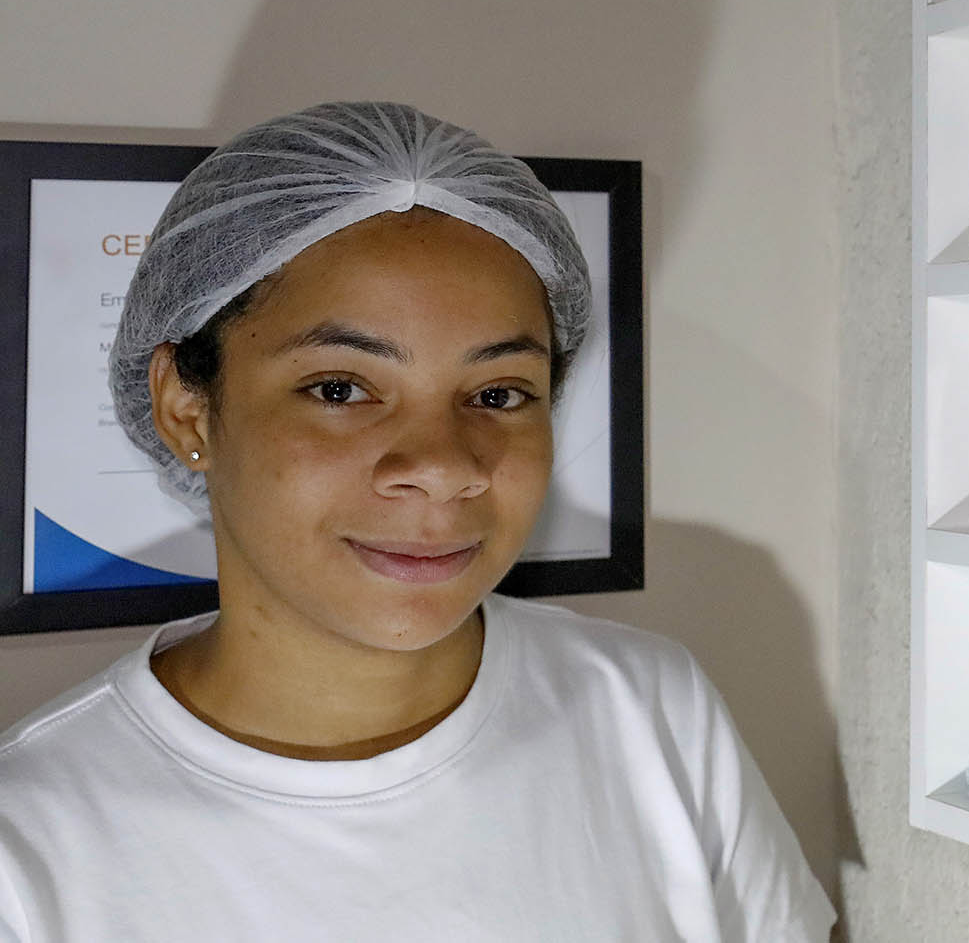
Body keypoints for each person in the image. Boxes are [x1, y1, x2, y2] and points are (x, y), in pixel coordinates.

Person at [0, 102, 834, 942]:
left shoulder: (650, 710)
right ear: (187, 409)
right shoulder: (31, 849)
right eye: (340, 388)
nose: (442, 465)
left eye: (498, 393)